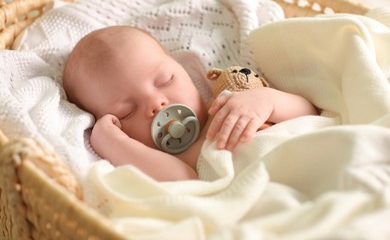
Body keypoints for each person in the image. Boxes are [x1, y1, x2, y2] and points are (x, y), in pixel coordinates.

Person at [63, 26, 318, 182]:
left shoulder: (229, 100)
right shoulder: (180, 163)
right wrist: (112, 143)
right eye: (127, 112)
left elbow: (310, 113)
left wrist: (267, 100)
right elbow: (182, 181)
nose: (156, 103)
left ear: (183, 69)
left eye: (165, 80)